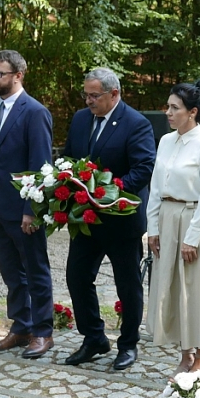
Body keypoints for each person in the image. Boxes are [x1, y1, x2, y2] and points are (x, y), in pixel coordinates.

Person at [63, 67, 156, 370]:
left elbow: (144, 168)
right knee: (76, 277)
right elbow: (69, 157)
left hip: (121, 220)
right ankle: (94, 338)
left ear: (113, 94)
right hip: (86, 219)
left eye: (94, 95)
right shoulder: (80, 119)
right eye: (86, 94)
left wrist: (109, 191)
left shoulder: (135, 123)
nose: (88, 101)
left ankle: (128, 344)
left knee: (127, 285)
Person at [0, 50, 55, 359]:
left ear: (18, 75)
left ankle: (43, 332)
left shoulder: (35, 112)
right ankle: (21, 327)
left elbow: (40, 165)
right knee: (11, 273)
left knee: (35, 271)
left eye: (0, 73)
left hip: (24, 210)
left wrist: (31, 211)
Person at [146, 80, 200, 376]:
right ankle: (185, 351)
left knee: (196, 287)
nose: (168, 112)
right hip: (168, 217)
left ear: (192, 112)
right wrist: (153, 227)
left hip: (193, 220)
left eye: (174, 108)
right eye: (167, 106)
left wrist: (192, 238)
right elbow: (156, 187)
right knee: (173, 285)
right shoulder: (166, 141)